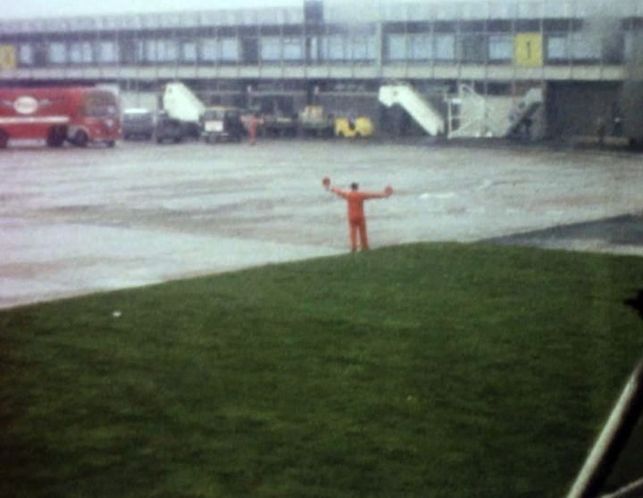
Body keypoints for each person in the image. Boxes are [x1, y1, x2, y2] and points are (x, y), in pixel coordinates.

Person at [323, 177, 393, 252]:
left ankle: (353, 247)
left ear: (351, 188)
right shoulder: (361, 195)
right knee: (363, 232)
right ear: (357, 187)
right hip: (360, 216)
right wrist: (385, 194)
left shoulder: (348, 195)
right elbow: (373, 195)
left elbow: (338, 192)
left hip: (351, 216)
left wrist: (329, 187)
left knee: (353, 233)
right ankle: (365, 246)